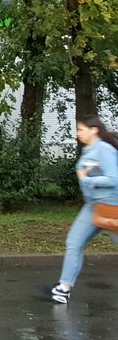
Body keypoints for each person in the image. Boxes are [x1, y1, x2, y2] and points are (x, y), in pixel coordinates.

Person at [49, 115, 118, 304]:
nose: (78, 133)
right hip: (93, 207)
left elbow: (114, 179)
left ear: (94, 130)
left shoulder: (104, 149)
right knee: (74, 243)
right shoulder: (89, 150)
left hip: (111, 207)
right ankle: (63, 289)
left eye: (81, 129)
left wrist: (87, 180)